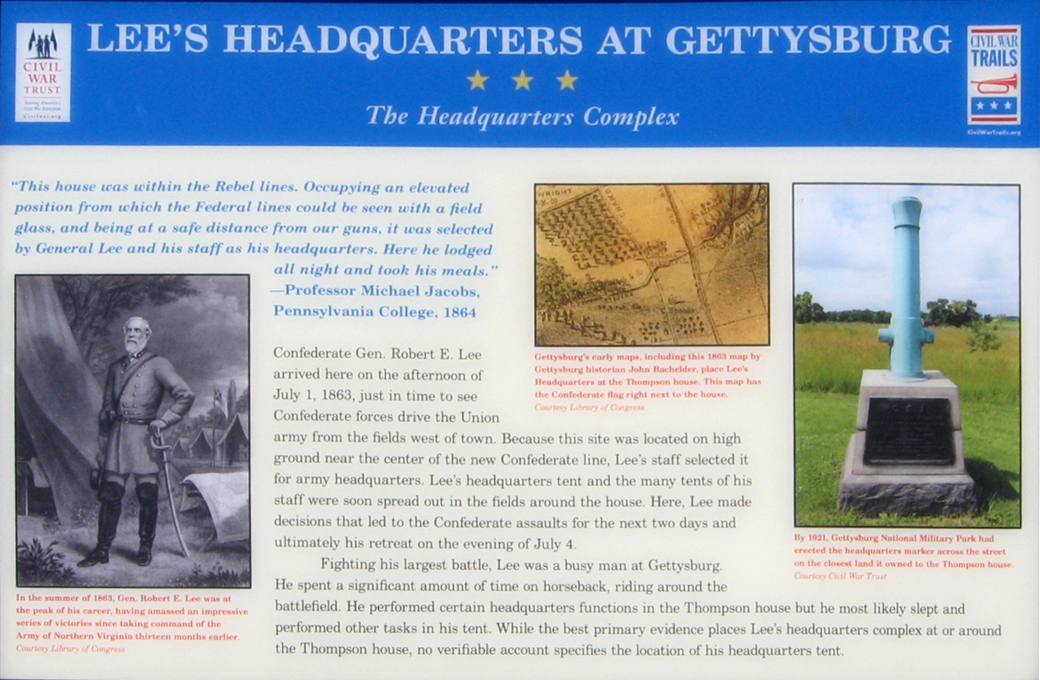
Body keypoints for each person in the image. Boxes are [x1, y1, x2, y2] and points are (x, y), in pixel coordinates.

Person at [79, 317, 194, 567]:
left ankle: (144, 548)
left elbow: (185, 395)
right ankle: (101, 550)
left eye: (138, 331)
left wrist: (163, 421)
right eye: (129, 330)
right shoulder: (115, 368)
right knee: (110, 494)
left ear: (147, 334)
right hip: (118, 437)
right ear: (124, 333)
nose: (132, 335)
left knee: (147, 496)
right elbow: (106, 403)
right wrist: (107, 417)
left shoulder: (159, 364)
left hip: (144, 439)